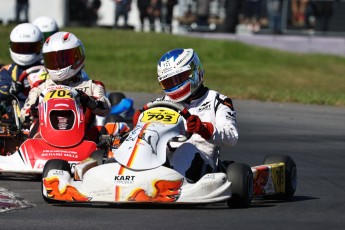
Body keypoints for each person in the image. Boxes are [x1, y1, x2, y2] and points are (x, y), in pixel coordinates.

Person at [133, 48, 239, 182]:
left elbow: (232, 137)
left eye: (180, 78)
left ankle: (168, 183)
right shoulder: (159, 104)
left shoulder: (217, 101)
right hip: (164, 160)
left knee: (186, 148)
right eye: (169, 82)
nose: (175, 85)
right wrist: (140, 124)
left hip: (203, 166)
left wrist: (204, 129)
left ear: (194, 71)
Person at [20, 31, 111, 140]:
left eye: (63, 59)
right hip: (44, 139)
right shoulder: (40, 89)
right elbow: (24, 116)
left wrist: (89, 101)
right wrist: (34, 110)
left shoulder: (92, 86)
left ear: (77, 57)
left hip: (83, 139)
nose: (58, 65)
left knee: (103, 130)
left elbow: (105, 109)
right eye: (53, 60)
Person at [0, 23, 44, 107]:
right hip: (15, 116)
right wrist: (12, 89)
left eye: (30, 47)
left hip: (43, 112)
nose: (25, 51)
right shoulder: (7, 71)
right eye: (20, 47)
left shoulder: (47, 69)